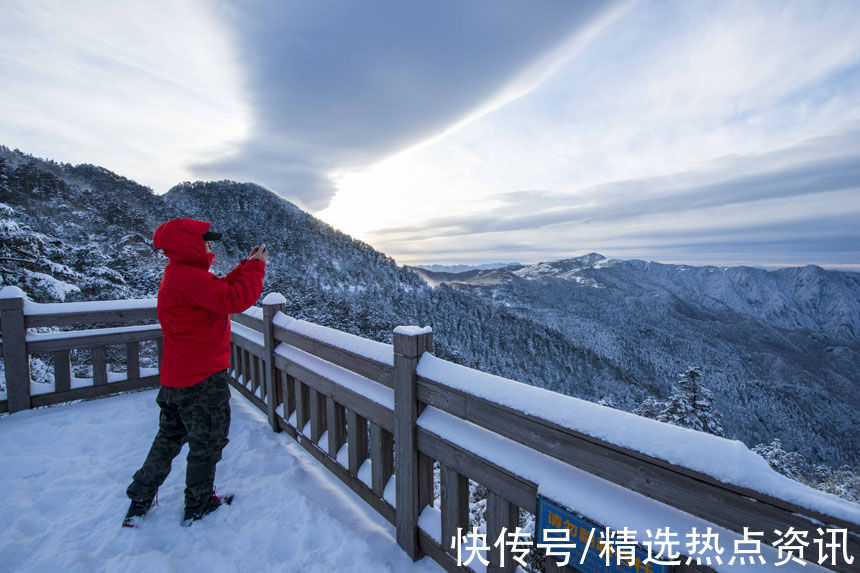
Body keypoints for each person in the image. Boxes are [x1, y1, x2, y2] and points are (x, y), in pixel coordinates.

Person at [123, 218, 268, 527]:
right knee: (207, 443)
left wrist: (245, 266)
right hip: (201, 378)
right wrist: (256, 269)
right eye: (205, 240)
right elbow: (234, 298)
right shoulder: (189, 277)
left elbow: (218, 289)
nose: (209, 245)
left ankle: (141, 496)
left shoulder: (179, 275)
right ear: (189, 243)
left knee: (168, 438)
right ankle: (199, 503)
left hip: (177, 375)